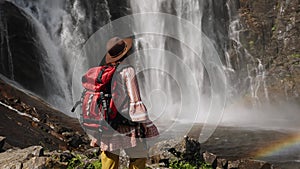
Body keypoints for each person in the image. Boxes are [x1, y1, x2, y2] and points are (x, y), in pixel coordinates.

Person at [90, 36, 159, 169]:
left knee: (109, 161)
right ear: (126, 53)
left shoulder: (102, 72)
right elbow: (135, 100)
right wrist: (146, 124)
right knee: (138, 156)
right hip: (126, 123)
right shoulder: (127, 71)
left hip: (107, 123)